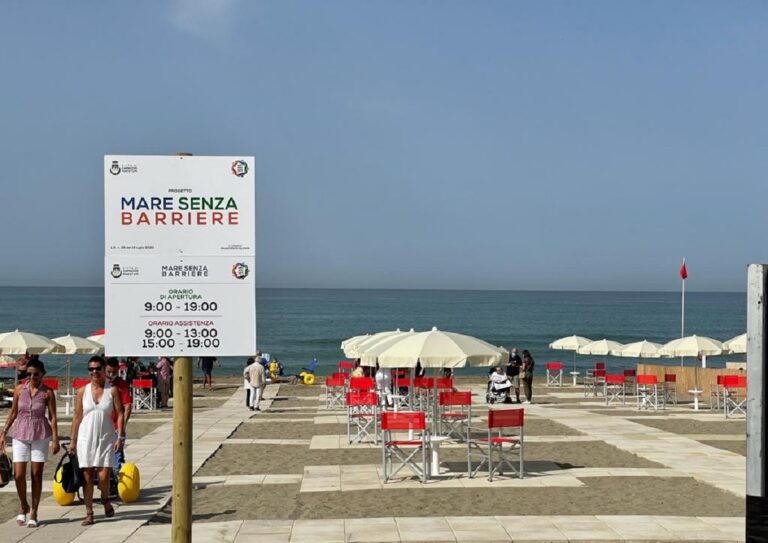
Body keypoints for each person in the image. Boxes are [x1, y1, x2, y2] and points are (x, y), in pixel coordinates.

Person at [0, 359, 60, 527]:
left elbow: (53, 417)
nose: (32, 377)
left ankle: (33, 510)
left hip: (41, 434)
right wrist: (3, 432)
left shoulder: (47, 392)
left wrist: (55, 439)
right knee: (18, 475)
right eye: (29, 374)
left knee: (36, 474)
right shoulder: (20, 390)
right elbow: (13, 413)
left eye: (35, 374)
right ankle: (23, 505)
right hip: (20, 433)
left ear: (42, 374)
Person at [69, 355, 124, 526]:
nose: (94, 371)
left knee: (104, 475)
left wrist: (120, 436)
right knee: (86, 475)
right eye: (91, 369)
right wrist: (72, 441)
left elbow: (120, 413)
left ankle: (105, 498)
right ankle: (89, 512)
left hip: (106, 436)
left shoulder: (112, 390)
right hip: (86, 437)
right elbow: (77, 416)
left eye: (97, 368)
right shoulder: (82, 391)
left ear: (103, 368)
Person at [105, 357, 132, 465]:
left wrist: (122, 428)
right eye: (109, 372)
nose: (111, 375)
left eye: (114, 372)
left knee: (114, 460)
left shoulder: (122, 384)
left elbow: (127, 406)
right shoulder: (98, 384)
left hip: (116, 426)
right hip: (102, 426)